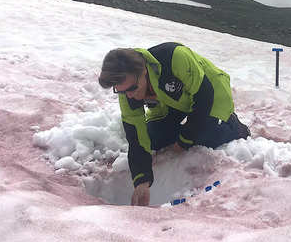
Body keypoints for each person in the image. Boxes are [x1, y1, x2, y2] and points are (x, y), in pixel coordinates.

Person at [98, 43, 250, 206]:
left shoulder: (175, 58)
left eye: (133, 88)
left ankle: (235, 128)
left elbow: (204, 97)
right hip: (174, 102)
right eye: (121, 91)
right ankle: (188, 130)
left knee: (204, 138)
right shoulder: (127, 88)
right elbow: (136, 136)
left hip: (212, 93)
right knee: (153, 138)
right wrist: (141, 181)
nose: (129, 95)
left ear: (144, 71)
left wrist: (183, 142)